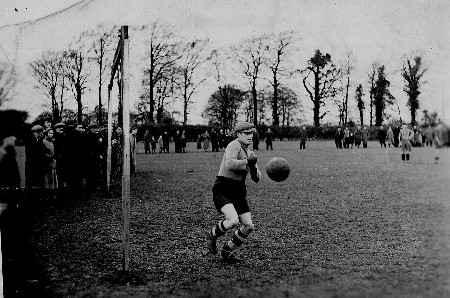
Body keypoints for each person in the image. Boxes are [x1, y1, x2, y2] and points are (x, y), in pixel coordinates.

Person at [206, 121, 261, 264]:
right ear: (238, 134)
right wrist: (247, 162)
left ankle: (227, 251)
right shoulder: (234, 145)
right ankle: (212, 235)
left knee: (248, 226)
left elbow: (257, 179)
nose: (250, 136)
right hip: (223, 188)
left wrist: (254, 168)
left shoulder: (250, 153)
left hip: (239, 191)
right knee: (233, 220)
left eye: (251, 133)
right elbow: (229, 164)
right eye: (246, 134)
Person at [25, 125, 46, 190]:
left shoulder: (40, 141)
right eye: (40, 132)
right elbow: (32, 154)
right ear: (35, 133)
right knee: (33, 183)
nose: (41, 134)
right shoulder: (30, 141)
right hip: (33, 166)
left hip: (39, 166)